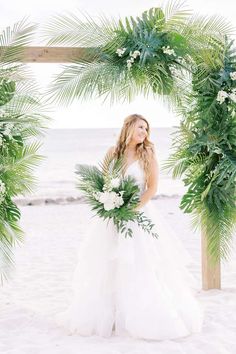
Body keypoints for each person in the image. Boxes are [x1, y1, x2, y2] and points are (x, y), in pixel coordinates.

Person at [55, 113, 204, 340]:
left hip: (137, 215)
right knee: (108, 265)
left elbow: (152, 188)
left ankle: (141, 314)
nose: (144, 132)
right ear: (128, 127)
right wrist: (109, 205)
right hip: (112, 218)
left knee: (139, 264)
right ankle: (112, 316)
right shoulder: (112, 153)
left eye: (146, 129)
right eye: (140, 127)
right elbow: (103, 184)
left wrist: (132, 210)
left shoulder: (148, 155)